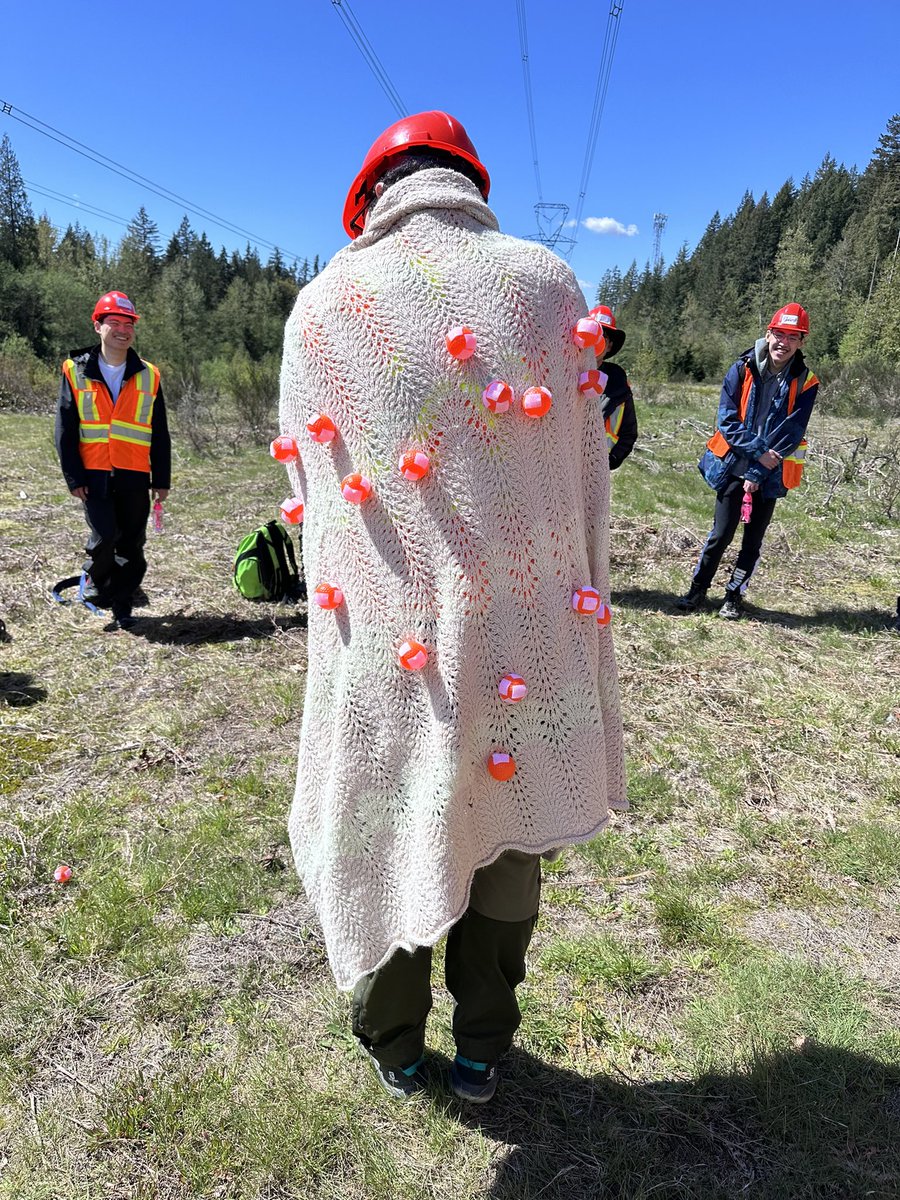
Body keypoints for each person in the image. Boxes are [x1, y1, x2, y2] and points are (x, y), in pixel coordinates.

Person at [278, 111, 625, 1103]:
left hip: (392, 655)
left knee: (384, 829)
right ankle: (482, 1050)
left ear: (370, 197)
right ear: (468, 180)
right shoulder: (548, 284)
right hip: (523, 642)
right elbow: (585, 474)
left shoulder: (323, 310)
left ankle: (394, 1048)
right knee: (507, 841)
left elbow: (315, 501)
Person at [676, 303, 818, 619]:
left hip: (771, 473)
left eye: (792, 337)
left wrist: (758, 469)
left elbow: (792, 430)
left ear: (801, 342)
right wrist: (755, 456)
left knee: (752, 543)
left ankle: (734, 596)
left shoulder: (807, 382)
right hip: (733, 467)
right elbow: (726, 421)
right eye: (779, 334)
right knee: (720, 535)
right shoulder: (741, 368)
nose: (784, 342)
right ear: (768, 334)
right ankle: (697, 590)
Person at [55, 291, 171, 629]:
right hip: (95, 474)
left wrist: (160, 480)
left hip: (135, 473)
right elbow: (64, 428)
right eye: (114, 323)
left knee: (132, 543)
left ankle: (123, 602)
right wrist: (74, 478)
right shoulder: (74, 370)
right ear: (98, 326)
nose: (122, 330)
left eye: (128, 324)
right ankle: (96, 580)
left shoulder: (150, 375)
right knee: (105, 536)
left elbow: (159, 432)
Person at [593, 304, 637, 470]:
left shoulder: (616, 382)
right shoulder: (565, 376)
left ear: (610, 345)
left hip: (597, 470)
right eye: (592, 334)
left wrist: (611, 460)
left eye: (601, 337)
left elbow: (629, 432)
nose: (595, 342)